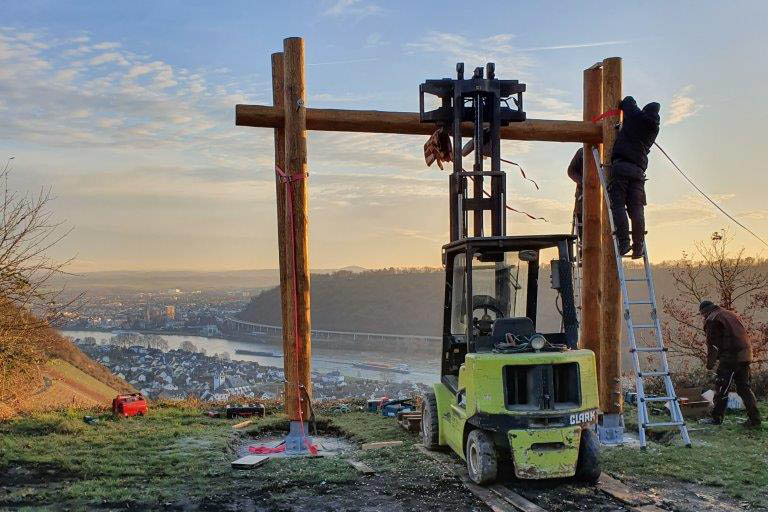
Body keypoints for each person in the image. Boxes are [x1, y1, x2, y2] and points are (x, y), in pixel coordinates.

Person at [607, 96, 660, 259]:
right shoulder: (654, 128)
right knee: (636, 209)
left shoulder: (638, 118)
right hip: (638, 172)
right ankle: (638, 247)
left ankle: (623, 243)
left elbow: (628, 101)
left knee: (618, 205)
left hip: (622, 166)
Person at [699, 300, 761, 427]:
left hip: (731, 357)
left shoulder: (712, 319)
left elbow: (713, 346)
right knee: (744, 389)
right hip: (745, 355)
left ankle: (716, 419)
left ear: (704, 312)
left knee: (722, 387)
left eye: (702, 315)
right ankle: (755, 420)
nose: (703, 317)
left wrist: (709, 364)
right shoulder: (729, 314)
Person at [567, 147, 584, 239]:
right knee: (583, 230)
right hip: (583, 197)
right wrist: (583, 182)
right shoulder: (582, 152)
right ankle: (583, 252)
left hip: (606, 199)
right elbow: (571, 171)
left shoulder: (610, 150)